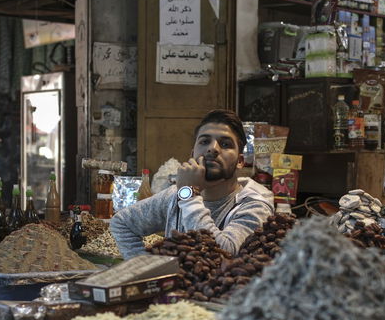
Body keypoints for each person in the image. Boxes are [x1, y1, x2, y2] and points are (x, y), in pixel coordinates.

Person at [110, 109, 273, 258]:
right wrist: (146, 272)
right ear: (192, 154)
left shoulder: (254, 206)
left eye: (225, 144)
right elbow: (121, 223)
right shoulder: (175, 196)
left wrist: (189, 196)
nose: (213, 148)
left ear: (240, 161)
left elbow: (224, 253)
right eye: (204, 142)